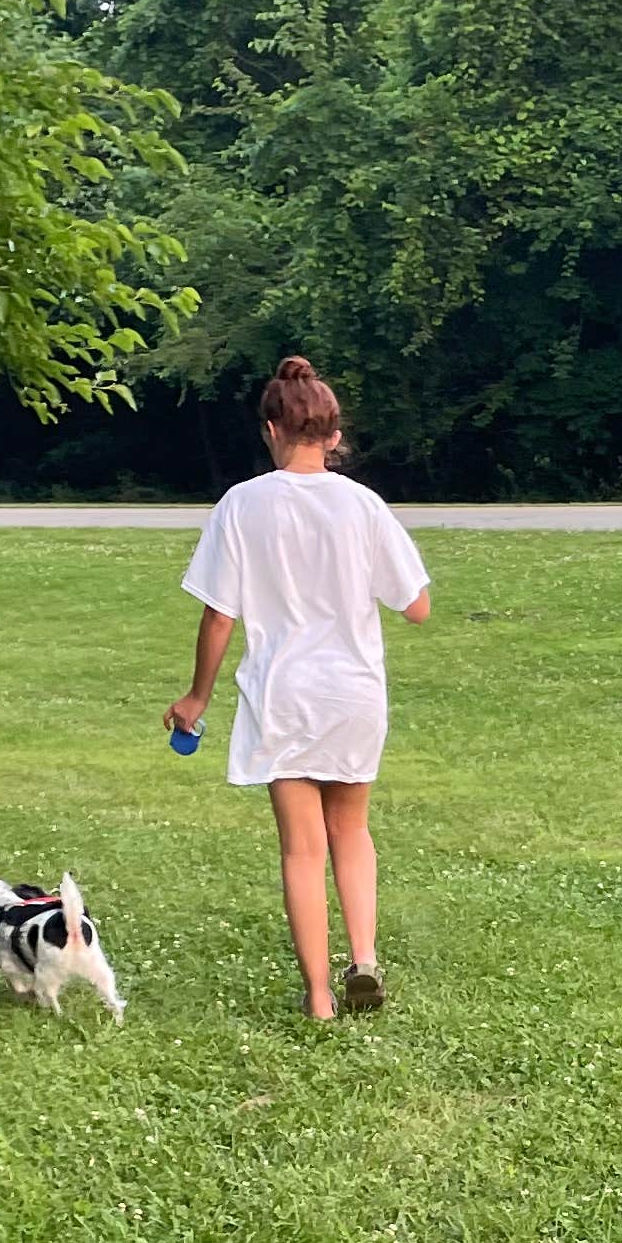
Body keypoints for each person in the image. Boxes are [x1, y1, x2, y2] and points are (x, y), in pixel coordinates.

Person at [168, 357, 433, 1021]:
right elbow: (417, 606)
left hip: (283, 695)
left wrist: (196, 698)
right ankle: (364, 957)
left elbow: (219, 614)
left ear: (270, 430)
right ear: (335, 436)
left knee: (301, 849)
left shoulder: (242, 505)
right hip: (354, 693)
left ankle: (318, 997)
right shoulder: (363, 506)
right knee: (353, 830)